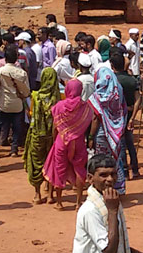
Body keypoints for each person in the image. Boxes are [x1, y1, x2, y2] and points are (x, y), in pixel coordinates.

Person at [45, 79, 94, 211]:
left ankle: (59, 203)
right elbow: (89, 122)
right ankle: (78, 202)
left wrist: (55, 140)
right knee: (79, 170)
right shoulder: (85, 107)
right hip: (78, 141)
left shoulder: (59, 106)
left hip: (62, 141)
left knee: (59, 169)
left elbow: (56, 127)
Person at [89, 67, 128, 196]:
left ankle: (102, 190)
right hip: (116, 132)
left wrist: (90, 136)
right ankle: (119, 188)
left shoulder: (97, 96)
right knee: (116, 160)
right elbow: (124, 110)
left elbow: (95, 118)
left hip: (101, 133)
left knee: (102, 162)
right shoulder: (119, 91)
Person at [24, 68, 60, 204]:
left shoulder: (35, 96)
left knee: (36, 163)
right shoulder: (59, 98)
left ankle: (37, 194)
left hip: (37, 135)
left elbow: (32, 114)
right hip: (53, 136)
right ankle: (50, 195)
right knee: (52, 163)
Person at [0, 45, 30, 158]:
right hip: (17, 104)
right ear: (16, 58)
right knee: (16, 127)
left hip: (3, 103)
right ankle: (14, 149)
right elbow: (26, 91)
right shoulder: (22, 73)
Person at [111, 53, 141, 180]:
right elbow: (138, 99)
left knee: (121, 144)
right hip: (129, 114)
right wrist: (133, 116)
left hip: (117, 116)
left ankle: (124, 170)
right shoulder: (132, 80)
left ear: (112, 66)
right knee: (130, 142)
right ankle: (135, 168)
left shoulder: (112, 80)